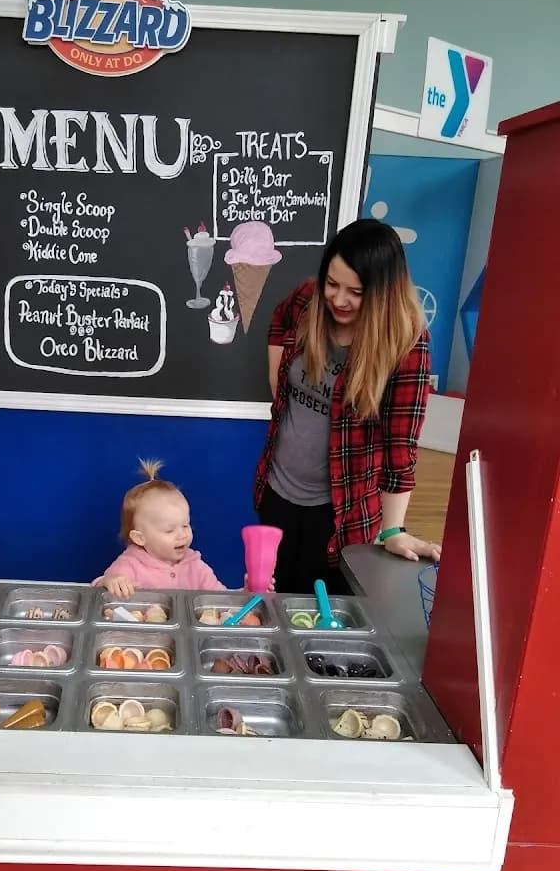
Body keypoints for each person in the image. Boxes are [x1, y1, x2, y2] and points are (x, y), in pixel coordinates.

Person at [254, 217, 441, 595]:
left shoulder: (406, 342)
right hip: (276, 493)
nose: (339, 299)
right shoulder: (308, 299)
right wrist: (279, 388)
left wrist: (392, 529)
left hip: (339, 512)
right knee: (270, 602)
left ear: (383, 292)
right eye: (333, 284)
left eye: (356, 292)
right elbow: (279, 318)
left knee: (320, 617)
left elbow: (400, 445)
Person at [94, 460, 226, 597]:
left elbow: (222, 599)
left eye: (186, 525)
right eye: (169, 530)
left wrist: (244, 594)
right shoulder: (130, 564)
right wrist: (109, 581)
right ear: (140, 538)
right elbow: (99, 590)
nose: (183, 535)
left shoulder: (196, 567)